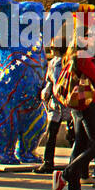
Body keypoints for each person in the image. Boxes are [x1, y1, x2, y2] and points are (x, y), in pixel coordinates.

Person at [53, 30, 95, 190]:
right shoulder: (83, 56)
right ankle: (65, 175)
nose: (92, 41)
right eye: (89, 37)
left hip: (79, 104)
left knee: (81, 143)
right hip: (86, 104)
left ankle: (74, 189)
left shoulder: (73, 55)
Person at [33, 42, 68, 175]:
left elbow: (53, 80)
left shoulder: (58, 62)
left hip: (58, 101)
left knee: (52, 132)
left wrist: (48, 91)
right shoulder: (55, 62)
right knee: (57, 132)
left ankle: (48, 162)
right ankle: (50, 162)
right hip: (63, 101)